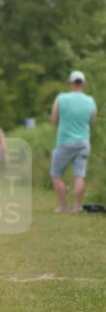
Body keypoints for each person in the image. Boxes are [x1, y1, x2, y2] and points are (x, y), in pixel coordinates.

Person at [50, 70, 98, 214]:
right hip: (83, 143)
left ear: (71, 83)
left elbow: (53, 120)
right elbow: (92, 123)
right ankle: (76, 207)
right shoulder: (91, 101)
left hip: (65, 142)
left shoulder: (61, 98)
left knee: (56, 175)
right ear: (83, 84)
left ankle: (63, 206)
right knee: (79, 175)